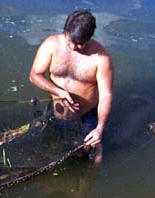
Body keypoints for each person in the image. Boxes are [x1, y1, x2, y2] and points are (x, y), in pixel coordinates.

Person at [29, 10, 113, 164]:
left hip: (85, 116)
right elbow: (35, 75)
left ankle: (97, 150)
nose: (73, 47)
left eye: (80, 43)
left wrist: (99, 129)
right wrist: (59, 91)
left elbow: (106, 95)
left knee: (86, 158)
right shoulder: (51, 45)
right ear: (65, 32)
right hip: (56, 112)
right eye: (70, 41)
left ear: (89, 38)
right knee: (48, 150)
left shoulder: (101, 59)